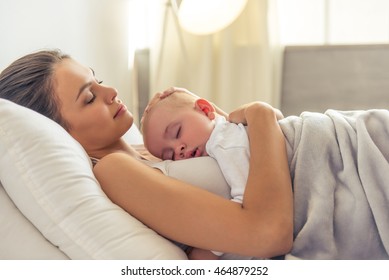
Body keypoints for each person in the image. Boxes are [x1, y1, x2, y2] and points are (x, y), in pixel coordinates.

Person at [0, 49, 293, 259]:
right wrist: (261, 113)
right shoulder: (115, 171)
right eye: (89, 98)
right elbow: (267, 233)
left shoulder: (146, 155)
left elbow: (236, 150)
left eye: (98, 80)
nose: (111, 91)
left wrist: (196, 107)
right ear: (59, 133)